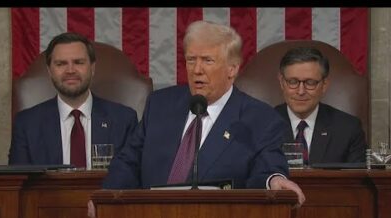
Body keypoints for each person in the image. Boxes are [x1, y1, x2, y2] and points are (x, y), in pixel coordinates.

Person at [97, 20, 304, 205]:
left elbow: (267, 168)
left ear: (232, 69)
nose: (196, 69)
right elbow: (128, 161)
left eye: (207, 60)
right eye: (191, 60)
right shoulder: (160, 105)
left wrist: (274, 180)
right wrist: (107, 196)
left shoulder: (259, 118)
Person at [8, 32, 138, 169]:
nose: (70, 70)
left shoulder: (124, 120)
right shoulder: (27, 124)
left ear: (92, 68)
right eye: (61, 64)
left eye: (78, 62)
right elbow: (18, 184)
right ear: (49, 71)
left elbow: (132, 178)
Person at [275, 47, 367, 164]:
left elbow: (356, 181)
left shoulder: (348, 128)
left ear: (324, 84)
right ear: (282, 82)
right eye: (293, 82)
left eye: (310, 82)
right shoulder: (261, 125)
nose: (301, 91)